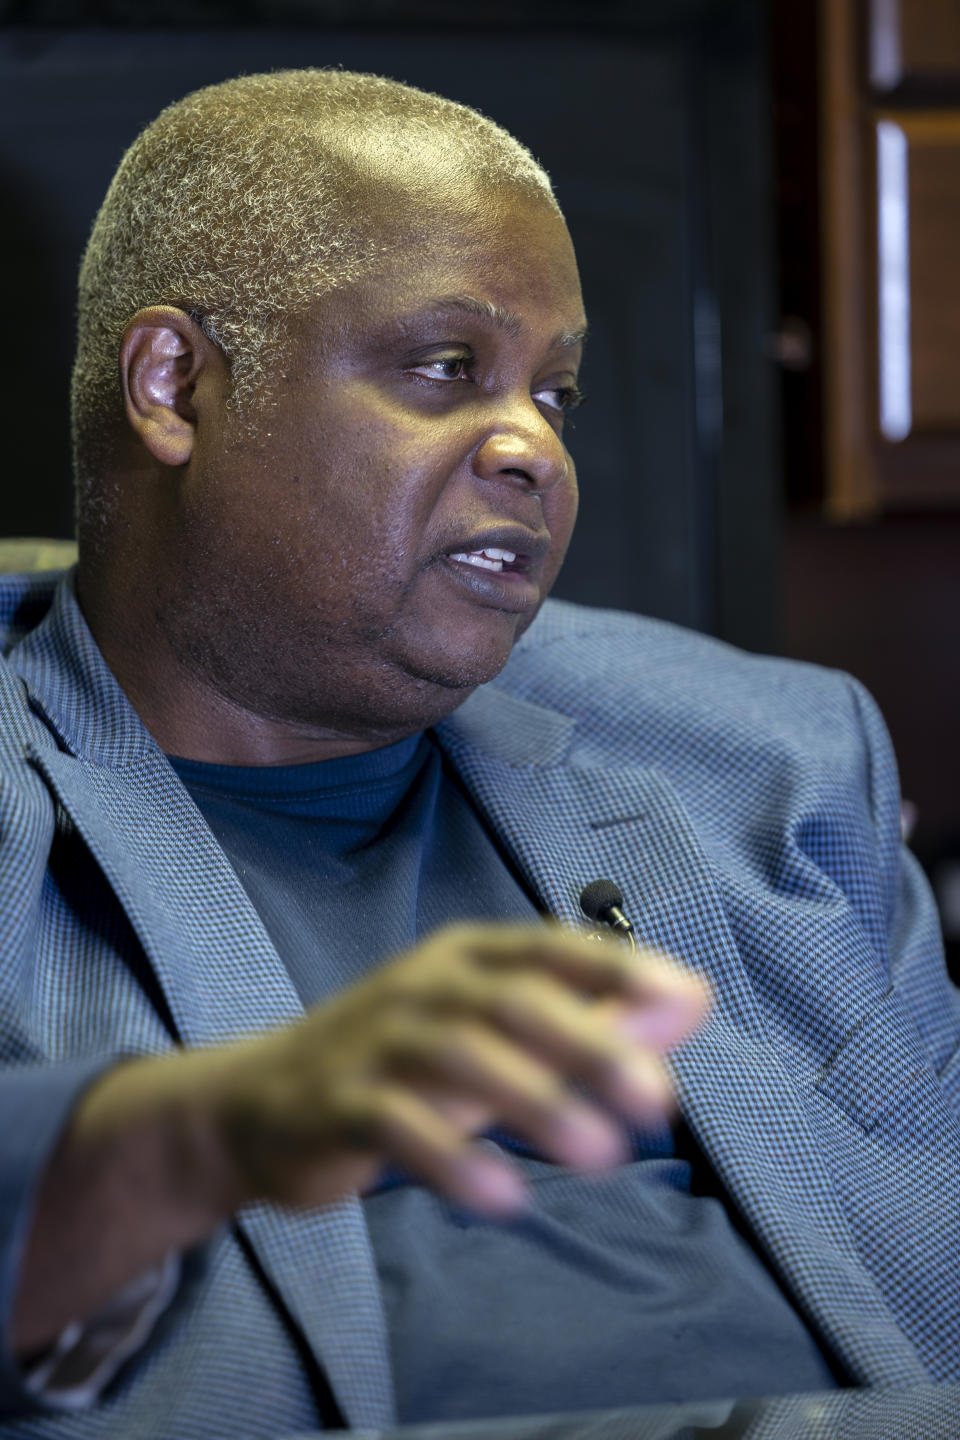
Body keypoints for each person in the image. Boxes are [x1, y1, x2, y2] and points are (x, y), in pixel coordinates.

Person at [0, 67, 957, 1440]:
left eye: (554, 394)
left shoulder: (769, 765)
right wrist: (216, 1124)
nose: (531, 451)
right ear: (176, 386)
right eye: (445, 368)